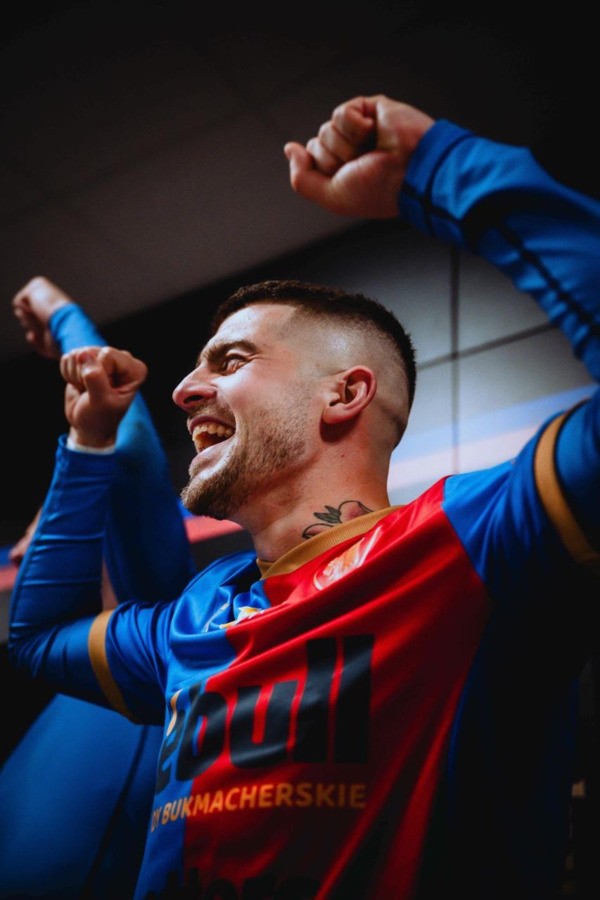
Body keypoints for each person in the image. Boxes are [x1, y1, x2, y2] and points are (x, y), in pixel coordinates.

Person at [8, 94, 600, 899]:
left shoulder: (476, 543)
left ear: (345, 394)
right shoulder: (198, 614)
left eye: (231, 361)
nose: (184, 390)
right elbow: (38, 636)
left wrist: (438, 167)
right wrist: (86, 442)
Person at [1, 279, 195, 899]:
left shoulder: (153, 648)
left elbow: (131, 462)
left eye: (41, 530)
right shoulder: (63, 677)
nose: (22, 552)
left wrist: (63, 316)